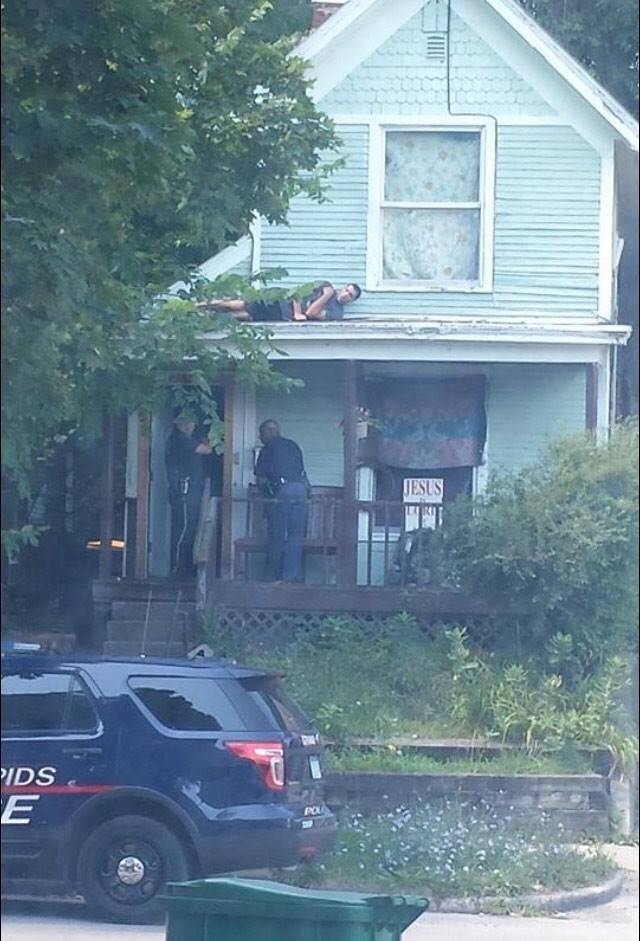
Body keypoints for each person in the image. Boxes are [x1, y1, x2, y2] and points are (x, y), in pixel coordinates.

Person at [254, 420, 309, 583]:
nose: (260, 437)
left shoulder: (267, 449)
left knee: (277, 534)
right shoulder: (293, 445)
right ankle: (291, 576)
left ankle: (272, 577)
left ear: (267, 432)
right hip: (301, 491)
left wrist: (265, 496)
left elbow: (261, 478)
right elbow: (302, 472)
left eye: (261, 434)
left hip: (282, 493)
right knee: (296, 536)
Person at [165, 413, 212, 578]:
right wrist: (210, 438)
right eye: (191, 422)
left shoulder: (184, 439)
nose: (193, 425)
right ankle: (178, 568)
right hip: (184, 490)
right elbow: (206, 450)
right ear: (182, 424)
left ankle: (184, 566)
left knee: (189, 528)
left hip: (190, 489)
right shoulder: (180, 439)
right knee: (184, 529)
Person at [197, 281, 361, 322]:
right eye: (347, 290)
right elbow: (297, 292)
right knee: (241, 303)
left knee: (245, 316)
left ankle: (207, 318)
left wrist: (326, 296)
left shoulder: (336, 313)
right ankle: (201, 305)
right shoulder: (325, 285)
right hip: (280, 300)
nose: (346, 294)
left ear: (351, 301)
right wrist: (298, 312)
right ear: (343, 288)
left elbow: (311, 313)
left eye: (350, 295)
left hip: (282, 315)